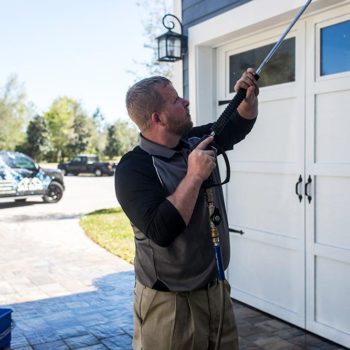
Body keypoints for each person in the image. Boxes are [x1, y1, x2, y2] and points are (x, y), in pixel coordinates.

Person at [115, 68, 259, 350]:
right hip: (169, 305)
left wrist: (247, 98)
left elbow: (235, 126)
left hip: (216, 292)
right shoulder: (133, 168)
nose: (186, 102)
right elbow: (162, 229)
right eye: (176, 100)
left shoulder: (194, 143)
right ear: (158, 118)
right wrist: (194, 176)